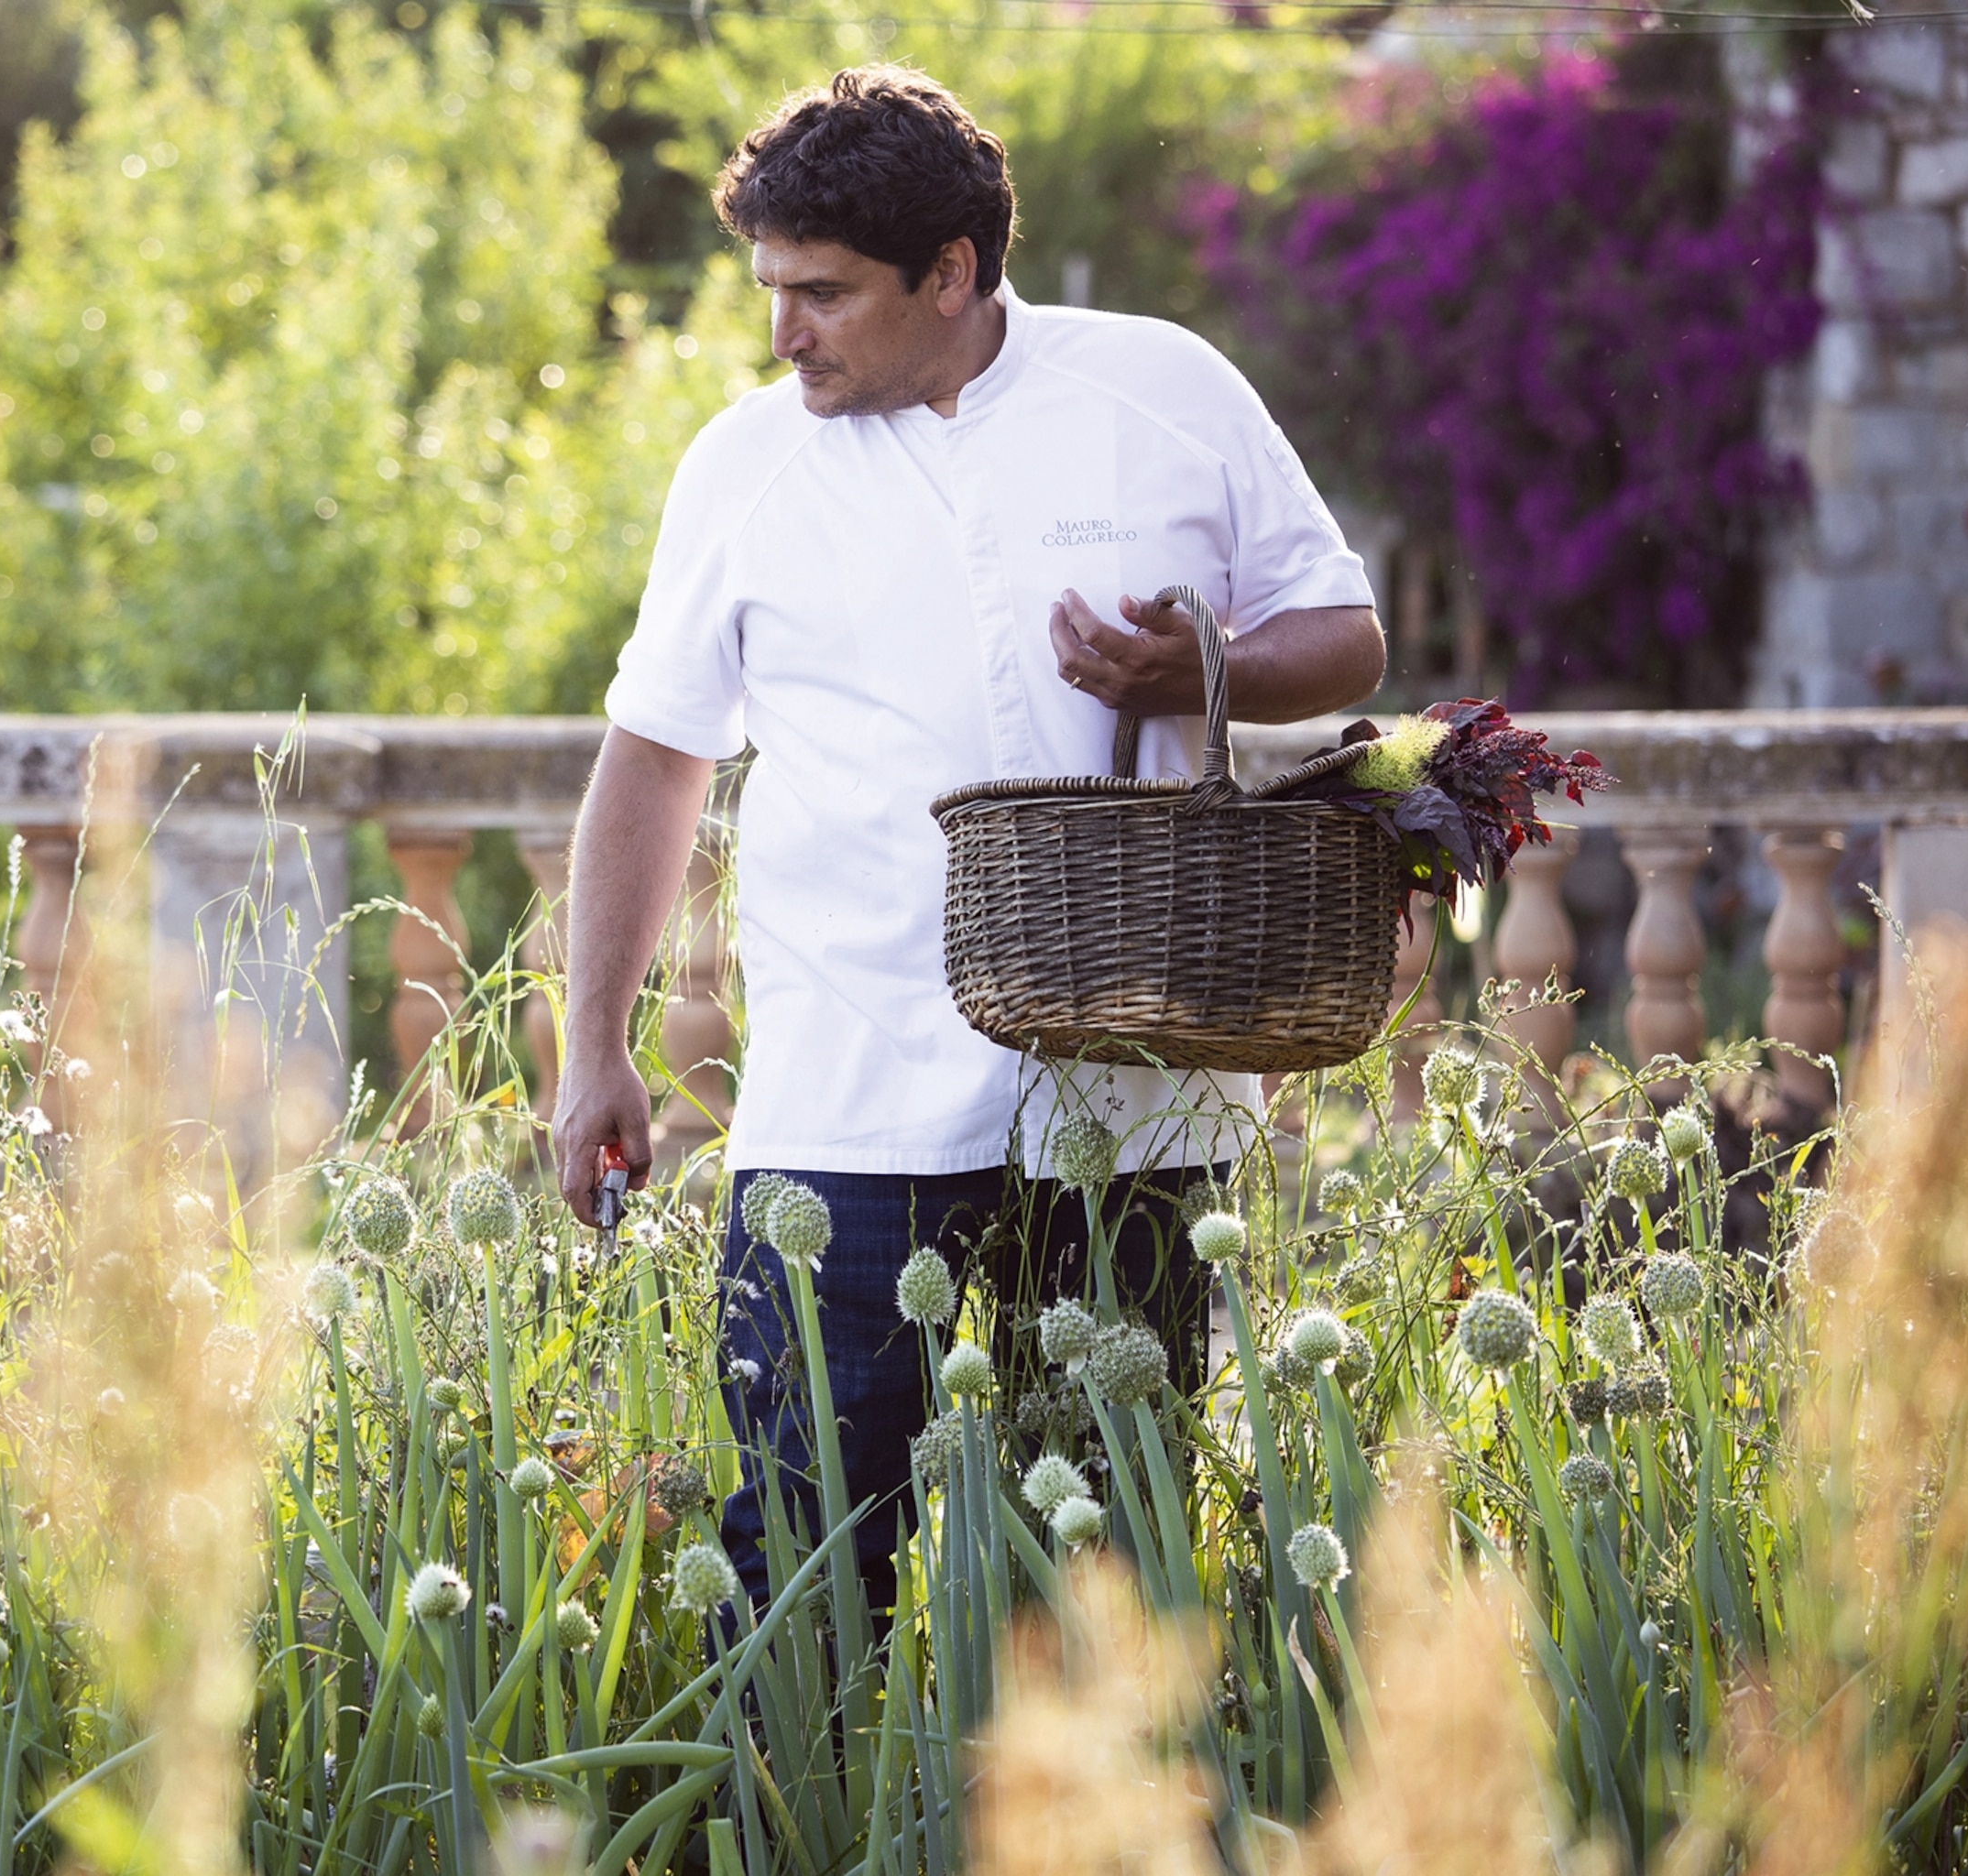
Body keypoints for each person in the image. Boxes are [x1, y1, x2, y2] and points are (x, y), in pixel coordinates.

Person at [552, 67, 1386, 1610]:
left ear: (953, 273)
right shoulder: (743, 463)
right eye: (772, 290)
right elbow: (654, 755)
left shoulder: (1165, 389)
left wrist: (1190, 669)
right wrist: (592, 1040)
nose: (784, 332)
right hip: (842, 1121)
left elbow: (1347, 639)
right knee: (800, 1590)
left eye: (823, 293)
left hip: (1131, 1108)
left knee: (1102, 1595)